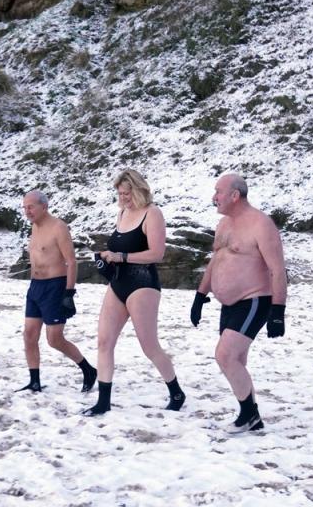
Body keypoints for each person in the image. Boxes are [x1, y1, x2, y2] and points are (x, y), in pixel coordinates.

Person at [190, 174, 287, 433]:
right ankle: (251, 419)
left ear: (235, 195)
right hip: (228, 303)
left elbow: (278, 270)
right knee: (237, 361)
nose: (214, 198)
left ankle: (249, 415)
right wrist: (200, 296)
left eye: (218, 192)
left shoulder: (261, 225)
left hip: (254, 299)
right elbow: (216, 260)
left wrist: (278, 311)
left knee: (225, 355)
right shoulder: (223, 224)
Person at [85, 170, 185, 415]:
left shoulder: (153, 214)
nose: (123, 198)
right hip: (118, 283)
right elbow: (118, 247)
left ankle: (176, 392)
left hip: (143, 284)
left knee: (149, 346)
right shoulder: (122, 213)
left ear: (139, 190)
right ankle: (103, 401)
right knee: (104, 341)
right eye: (120, 194)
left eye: (127, 193)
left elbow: (157, 253)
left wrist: (123, 256)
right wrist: (107, 258)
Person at [20, 190, 98, 393]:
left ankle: (88, 370)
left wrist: (69, 293)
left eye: (31, 207)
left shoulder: (58, 227)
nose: (27, 211)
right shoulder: (34, 228)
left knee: (54, 339)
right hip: (36, 287)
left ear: (44, 207)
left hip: (55, 286)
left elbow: (71, 262)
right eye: (25, 207)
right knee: (29, 335)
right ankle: (34, 381)